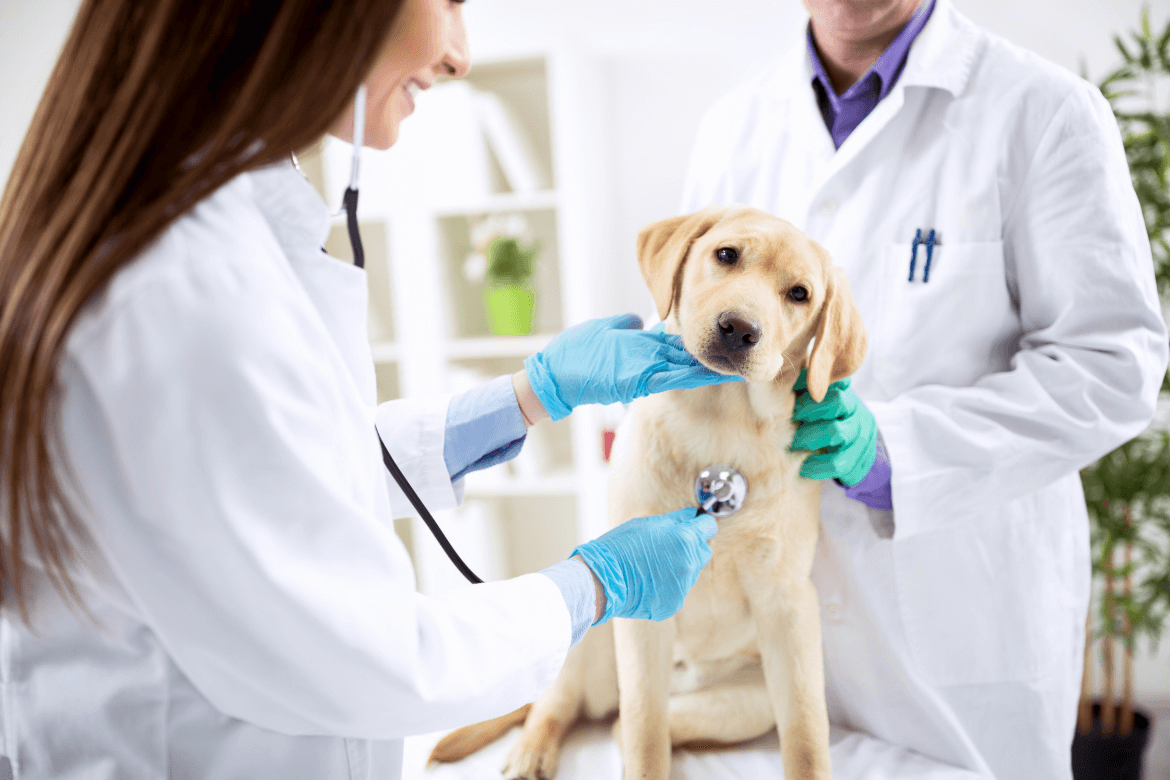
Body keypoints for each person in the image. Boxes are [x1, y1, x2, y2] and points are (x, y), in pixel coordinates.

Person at [0, 1, 740, 778]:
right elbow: (370, 657)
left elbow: (281, 471)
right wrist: (595, 583)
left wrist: (528, 397)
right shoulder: (180, 291)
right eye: (448, 2)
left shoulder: (219, 223)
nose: (459, 55)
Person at [682, 0, 1169, 777]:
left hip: (957, 642)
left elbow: (1111, 365)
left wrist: (893, 455)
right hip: (759, 640)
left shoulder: (1043, 112)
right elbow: (697, 331)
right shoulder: (733, 126)